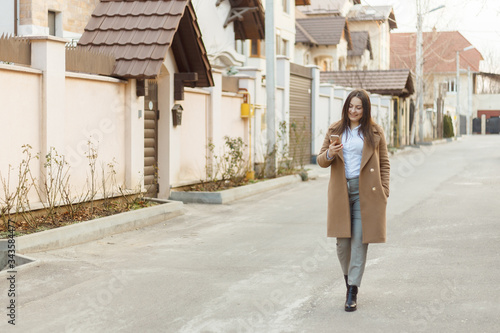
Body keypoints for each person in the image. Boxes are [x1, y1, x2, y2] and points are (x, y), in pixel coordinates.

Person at [317, 89, 390, 312]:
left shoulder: (374, 132)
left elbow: (384, 163)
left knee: (359, 241)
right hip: (341, 192)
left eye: (358, 107)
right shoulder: (335, 130)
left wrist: (384, 190)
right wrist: (330, 152)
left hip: (366, 193)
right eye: (351, 106)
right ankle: (349, 280)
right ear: (346, 107)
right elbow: (321, 161)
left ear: (365, 109)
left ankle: (352, 291)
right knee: (343, 244)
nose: (353, 111)